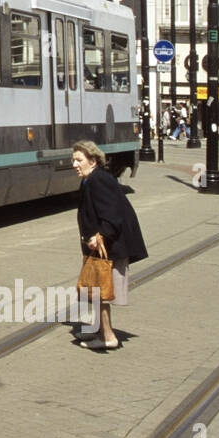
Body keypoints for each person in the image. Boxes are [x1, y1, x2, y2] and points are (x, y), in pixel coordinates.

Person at [71, 140, 148, 350]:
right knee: (97, 292)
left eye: (79, 160)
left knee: (100, 293)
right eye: (73, 160)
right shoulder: (90, 179)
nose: (75, 164)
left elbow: (113, 214)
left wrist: (101, 235)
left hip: (109, 247)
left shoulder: (98, 180)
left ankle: (108, 336)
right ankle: (98, 330)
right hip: (101, 246)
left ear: (93, 161)